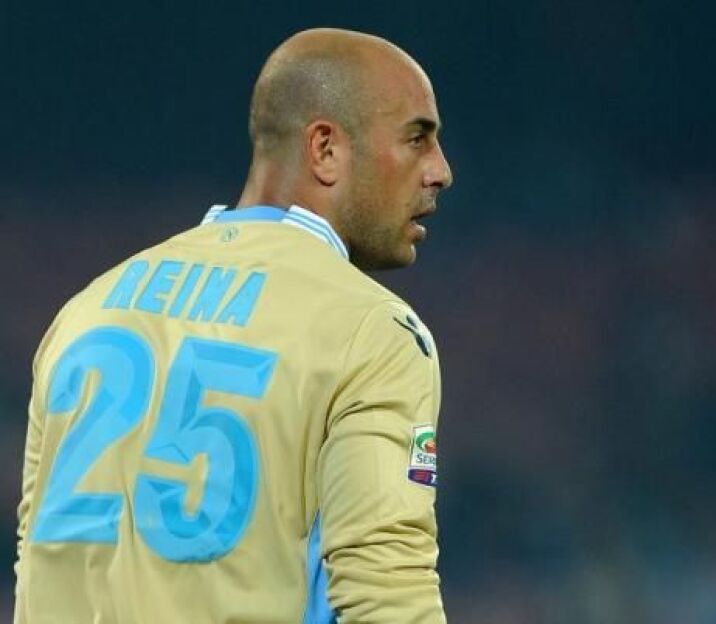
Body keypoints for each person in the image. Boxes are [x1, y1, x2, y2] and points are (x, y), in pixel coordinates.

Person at [14, 27, 453, 623]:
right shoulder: (371, 332)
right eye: (417, 138)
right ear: (325, 148)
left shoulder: (85, 311)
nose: (440, 171)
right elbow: (388, 596)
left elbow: (37, 568)